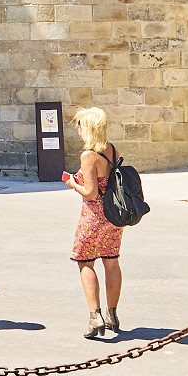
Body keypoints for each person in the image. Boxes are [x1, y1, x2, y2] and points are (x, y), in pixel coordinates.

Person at [62, 106, 123, 340]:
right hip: (114, 217)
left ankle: (94, 316)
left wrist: (71, 183)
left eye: (79, 124)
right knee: (112, 262)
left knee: (85, 262)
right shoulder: (112, 149)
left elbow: (90, 192)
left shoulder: (88, 155)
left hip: (93, 217)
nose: (77, 128)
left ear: (87, 128)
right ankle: (113, 315)